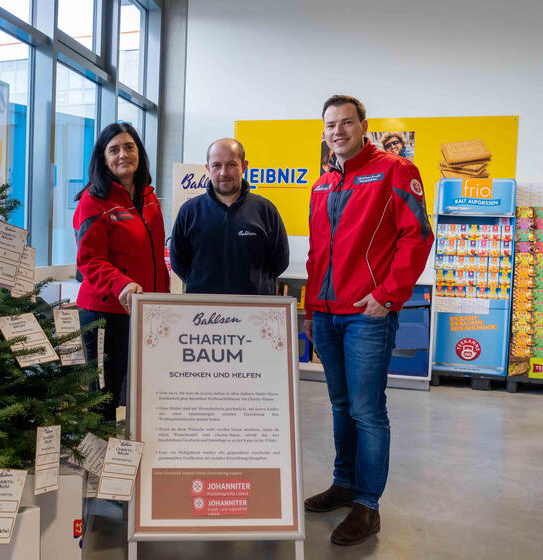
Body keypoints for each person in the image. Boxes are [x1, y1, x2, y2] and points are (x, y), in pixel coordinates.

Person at [303, 96, 433, 546]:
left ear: (363, 126)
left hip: (366, 315)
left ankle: (368, 506)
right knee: (340, 406)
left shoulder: (395, 170)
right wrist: (310, 305)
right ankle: (344, 484)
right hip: (326, 312)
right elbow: (318, 252)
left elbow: (417, 236)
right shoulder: (322, 184)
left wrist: (387, 295)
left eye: (346, 123)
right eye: (330, 125)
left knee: (367, 411)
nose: (337, 131)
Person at [73, 123, 170, 413]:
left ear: (139, 151)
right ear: (103, 158)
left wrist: (161, 298)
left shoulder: (148, 198)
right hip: (106, 313)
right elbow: (90, 260)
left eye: (129, 147)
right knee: (105, 395)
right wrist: (121, 284)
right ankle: (98, 455)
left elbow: (154, 256)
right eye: (114, 149)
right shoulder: (93, 201)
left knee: (140, 390)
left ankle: (126, 453)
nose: (123, 154)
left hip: (144, 310)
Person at [170, 138, 289, 295]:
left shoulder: (265, 210)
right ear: (208, 168)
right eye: (216, 165)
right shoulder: (189, 212)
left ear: (244, 166)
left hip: (254, 312)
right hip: (203, 313)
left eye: (231, 165)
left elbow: (280, 262)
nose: (223, 172)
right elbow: (179, 263)